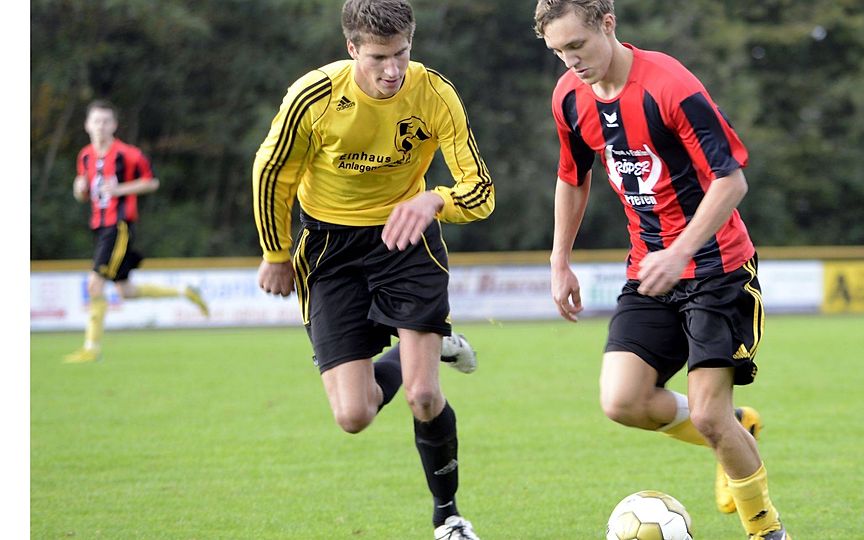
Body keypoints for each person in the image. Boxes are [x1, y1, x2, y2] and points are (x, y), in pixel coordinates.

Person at [534, 2, 790, 539]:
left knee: (707, 416)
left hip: (718, 270)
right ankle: (738, 427)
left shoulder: (669, 85)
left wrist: (681, 253)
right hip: (649, 272)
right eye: (557, 52)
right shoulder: (569, 97)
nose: (570, 62)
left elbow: (731, 180)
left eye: (576, 46)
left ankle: (768, 532)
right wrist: (560, 259)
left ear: (608, 24)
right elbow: (571, 176)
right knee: (622, 401)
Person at [252, 1, 494, 538]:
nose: (393, 70)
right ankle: (432, 345)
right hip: (329, 251)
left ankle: (449, 518)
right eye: (379, 57)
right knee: (354, 416)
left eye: (402, 54)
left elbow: (480, 193)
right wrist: (275, 252)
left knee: (424, 396)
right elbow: (272, 173)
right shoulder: (312, 97)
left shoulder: (434, 94)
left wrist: (433, 200)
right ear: (351, 49)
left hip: (406, 242)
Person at [65, 100, 209, 364]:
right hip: (99, 226)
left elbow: (152, 181)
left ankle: (91, 348)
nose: (101, 126)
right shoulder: (84, 156)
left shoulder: (127, 153)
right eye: (96, 121)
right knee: (124, 291)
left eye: (106, 121)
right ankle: (183, 291)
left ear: (114, 125)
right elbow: (83, 194)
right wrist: (78, 188)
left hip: (118, 226)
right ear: (87, 125)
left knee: (94, 284)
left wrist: (120, 190)